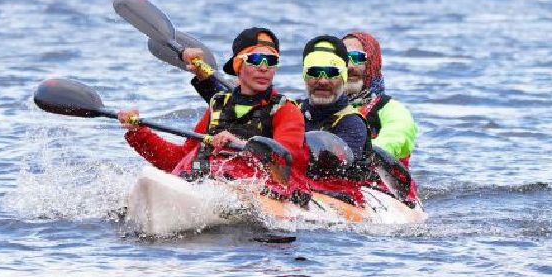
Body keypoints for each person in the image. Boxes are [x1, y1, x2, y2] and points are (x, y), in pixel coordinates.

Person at [119, 27, 307, 179]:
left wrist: (241, 144)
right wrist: (137, 132)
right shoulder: (218, 105)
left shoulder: (286, 110)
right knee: (190, 165)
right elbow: (177, 160)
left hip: (253, 188)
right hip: (210, 180)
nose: (264, 67)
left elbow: (288, 159)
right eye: (256, 59)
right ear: (238, 65)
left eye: (271, 60)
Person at [341, 31, 419, 164]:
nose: (350, 66)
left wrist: (366, 155)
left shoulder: (391, 109)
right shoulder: (324, 108)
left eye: (357, 57)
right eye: (343, 58)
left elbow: (397, 136)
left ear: (372, 63)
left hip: (380, 179)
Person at [295, 36, 372, 168]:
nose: (323, 81)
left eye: (332, 73)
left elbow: (337, 169)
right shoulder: (292, 110)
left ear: (344, 78)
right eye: (315, 72)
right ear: (305, 76)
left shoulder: (353, 123)